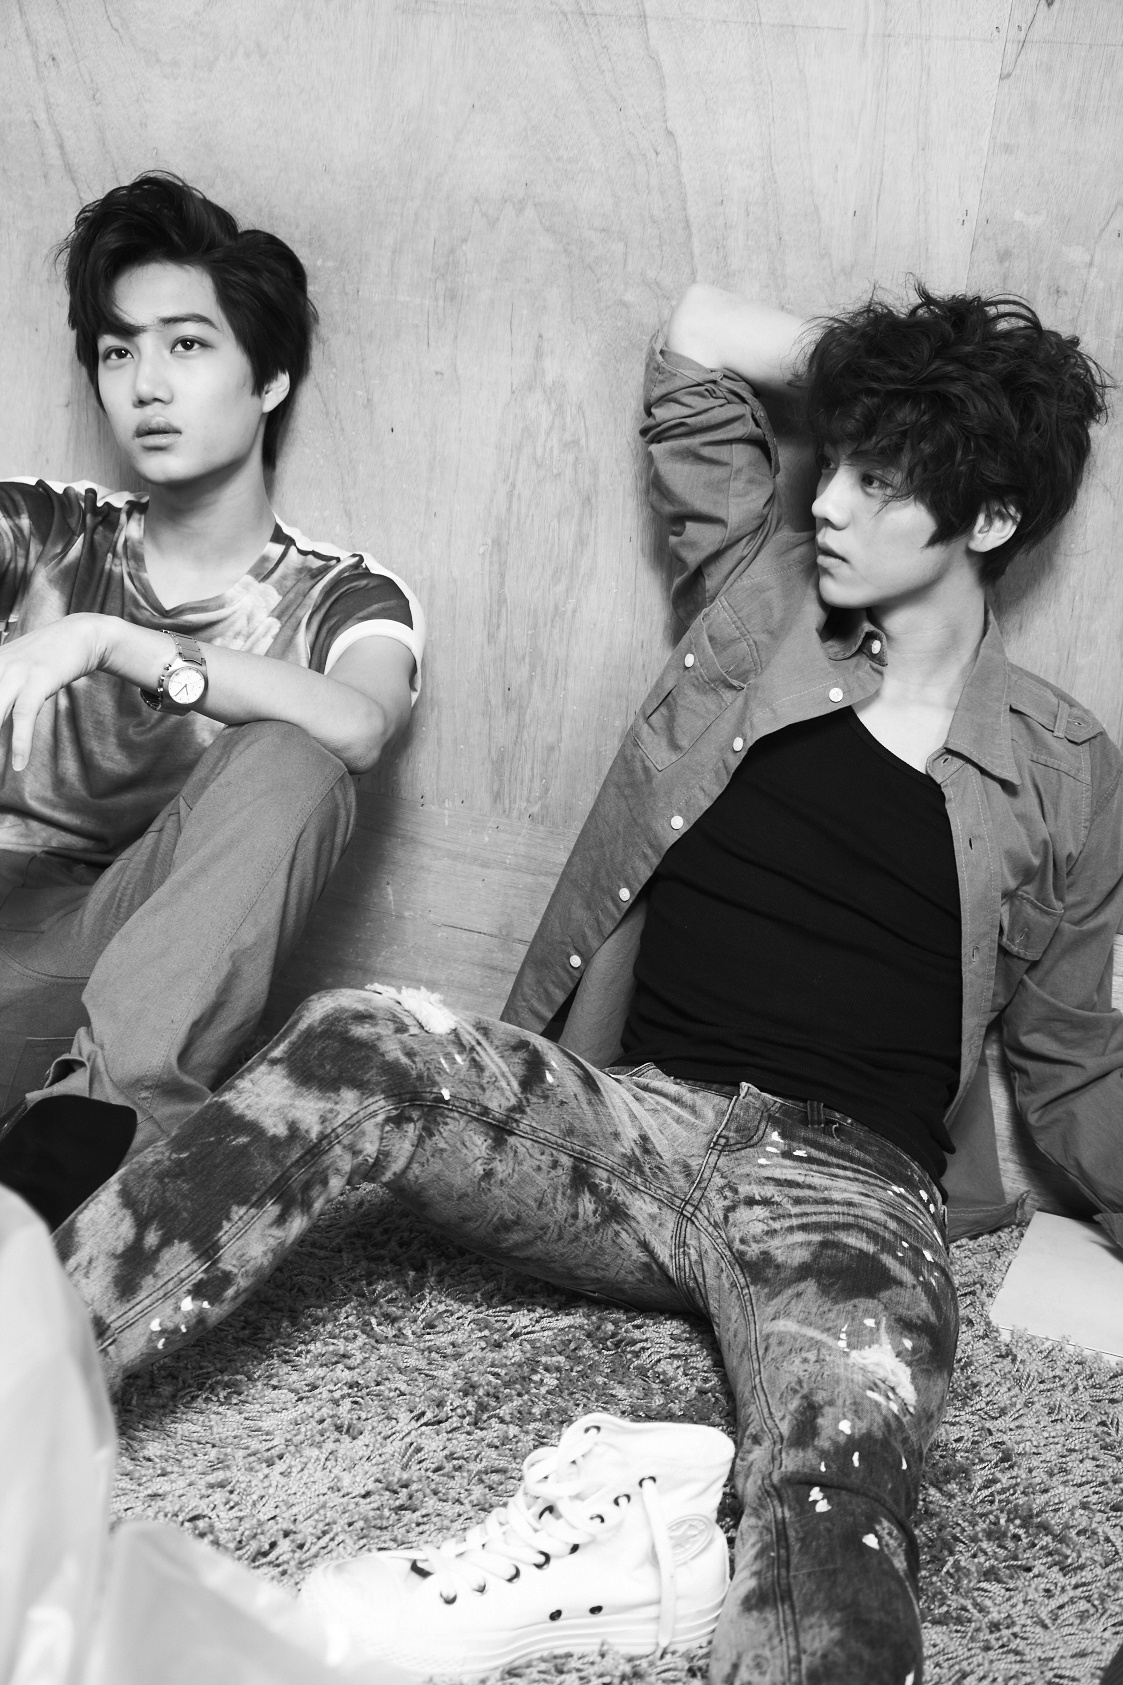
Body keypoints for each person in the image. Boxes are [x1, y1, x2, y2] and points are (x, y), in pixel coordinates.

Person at [54, 282, 1119, 1684]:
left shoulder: (1060, 763)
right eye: (838, 461)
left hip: (851, 1189)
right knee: (367, 1037)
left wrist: (960, 411)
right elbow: (698, 338)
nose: (828, 502)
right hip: (630, 1124)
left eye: (881, 480)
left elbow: (1074, 1058)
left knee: (834, 1488)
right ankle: (29, 1366)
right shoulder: (760, 600)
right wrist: (893, 382)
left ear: (988, 519)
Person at [0, 173, 423, 1228]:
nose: (146, 384)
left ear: (269, 377)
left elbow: (361, 725)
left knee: (297, 751)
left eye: (186, 344)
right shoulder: (37, 530)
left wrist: (113, 641)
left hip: (76, 989)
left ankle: (82, 1150)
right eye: (117, 352)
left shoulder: (346, 598)